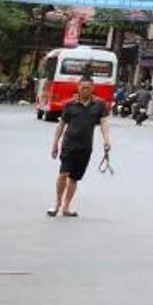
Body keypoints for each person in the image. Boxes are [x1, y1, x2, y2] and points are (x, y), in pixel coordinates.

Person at [48, 79, 110, 218]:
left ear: (92, 88)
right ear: (78, 88)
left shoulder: (99, 105)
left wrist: (107, 141)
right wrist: (55, 144)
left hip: (85, 146)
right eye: (83, 87)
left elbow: (104, 123)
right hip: (69, 144)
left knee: (74, 177)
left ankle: (66, 207)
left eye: (88, 87)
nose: (85, 90)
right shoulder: (70, 104)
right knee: (63, 174)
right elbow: (61, 125)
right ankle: (57, 203)